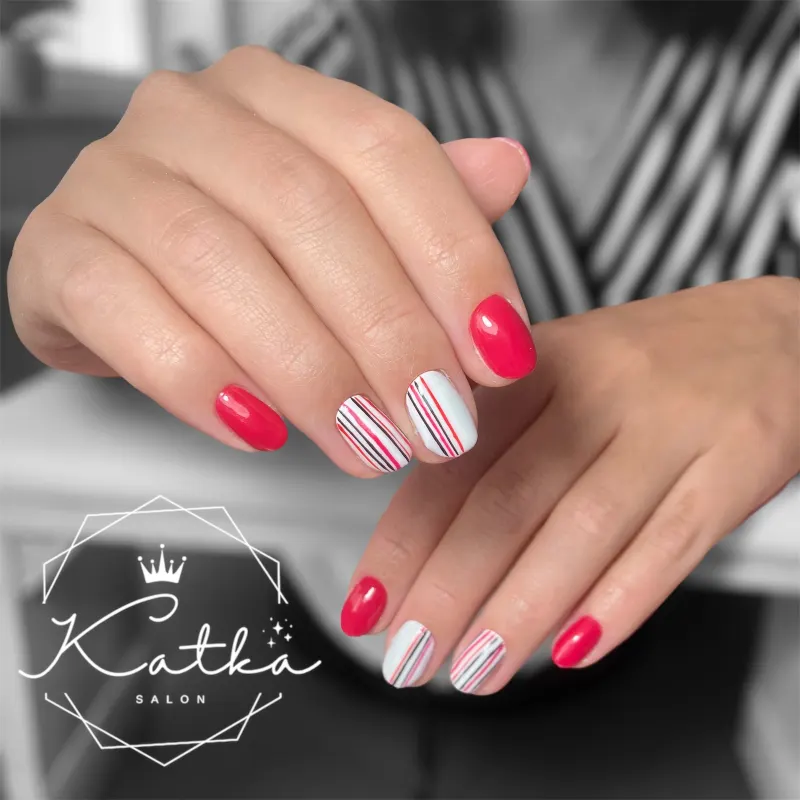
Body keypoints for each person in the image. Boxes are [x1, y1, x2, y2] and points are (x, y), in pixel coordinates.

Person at [7, 0, 798, 697]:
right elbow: (169, 347)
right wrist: (101, 289)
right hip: (298, 652)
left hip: (690, 667)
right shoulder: (340, 50)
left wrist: (785, 319)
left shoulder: (780, 60)